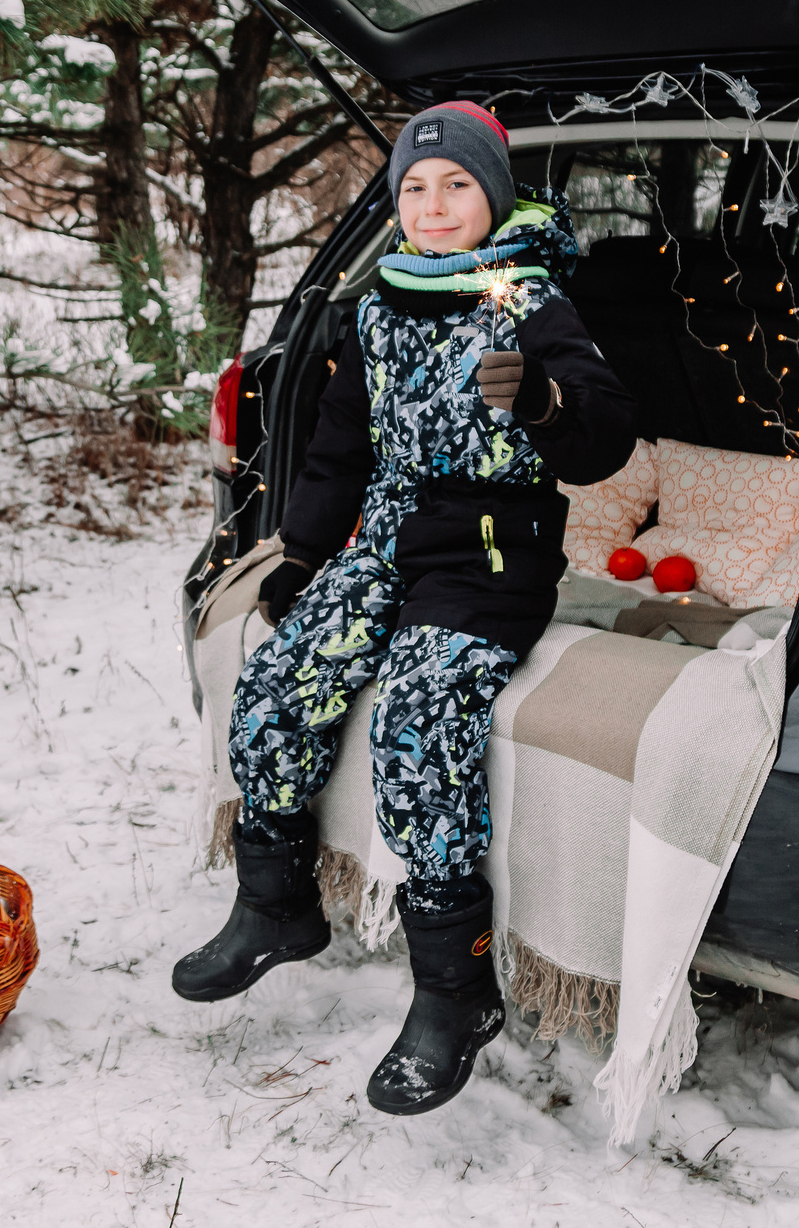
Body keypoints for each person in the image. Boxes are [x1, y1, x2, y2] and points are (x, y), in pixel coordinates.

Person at [172, 100, 636, 1115]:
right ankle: (277, 902)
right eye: (413, 189)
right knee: (277, 681)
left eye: (455, 185)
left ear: (492, 196)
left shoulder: (528, 296)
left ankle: (455, 992)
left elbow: (604, 435)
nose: (432, 206)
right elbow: (341, 440)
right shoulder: (379, 303)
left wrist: (547, 406)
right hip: (385, 539)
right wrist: (298, 551)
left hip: (487, 553)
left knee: (422, 719)